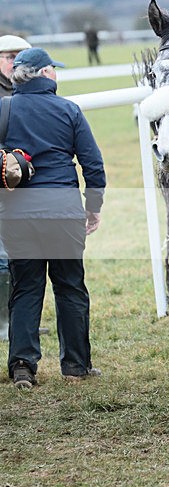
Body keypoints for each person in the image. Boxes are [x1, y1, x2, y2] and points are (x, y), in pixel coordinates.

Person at [0, 47, 106, 388]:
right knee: (70, 286)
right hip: (63, 211)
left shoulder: (3, 110)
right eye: (53, 70)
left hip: (17, 215)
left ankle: (22, 367)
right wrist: (93, 206)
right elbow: (93, 166)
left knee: (26, 288)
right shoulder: (69, 110)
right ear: (45, 74)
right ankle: (76, 364)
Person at [0, 34, 32, 341]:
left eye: (20, 57)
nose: (14, 63)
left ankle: (18, 318)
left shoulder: (27, 89)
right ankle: (5, 323)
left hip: (22, 184)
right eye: (9, 56)